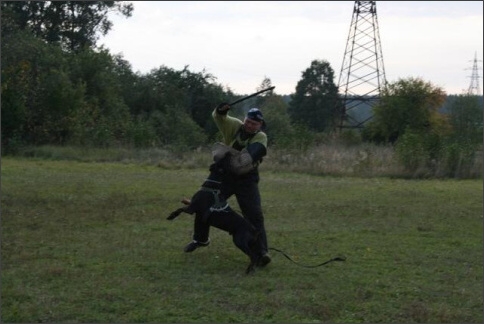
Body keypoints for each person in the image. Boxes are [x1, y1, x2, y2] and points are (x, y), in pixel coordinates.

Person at [183, 103, 271, 267]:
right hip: (227, 176)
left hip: (247, 180)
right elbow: (218, 117)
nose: (250, 125)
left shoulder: (261, 137)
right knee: (205, 202)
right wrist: (220, 109)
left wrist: (228, 155)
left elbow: (247, 159)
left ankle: (262, 252)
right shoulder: (235, 126)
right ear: (245, 120)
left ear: (260, 125)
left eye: (254, 123)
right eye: (248, 121)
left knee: (254, 215)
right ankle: (200, 239)